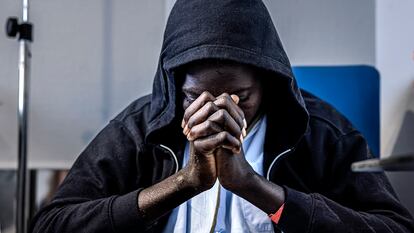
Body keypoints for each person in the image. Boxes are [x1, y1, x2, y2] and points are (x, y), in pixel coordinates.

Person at [30, 0, 414, 232]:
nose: (216, 112)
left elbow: (395, 227)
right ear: (174, 87)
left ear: (268, 81)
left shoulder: (323, 132)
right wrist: (183, 183)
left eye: (239, 97)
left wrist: (254, 187)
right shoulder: (139, 128)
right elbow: (51, 225)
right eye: (194, 97)